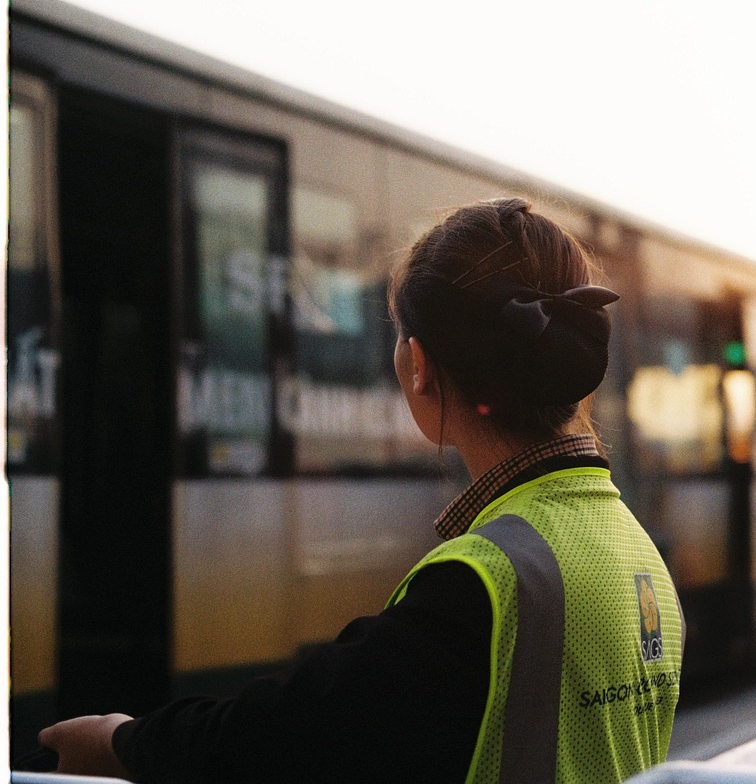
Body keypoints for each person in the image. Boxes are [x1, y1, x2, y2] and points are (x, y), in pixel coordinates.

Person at [39, 198, 684, 783]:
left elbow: (288, 734)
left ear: (420, 367)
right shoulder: (634, 549)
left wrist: (122, 742)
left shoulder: (485, 580)